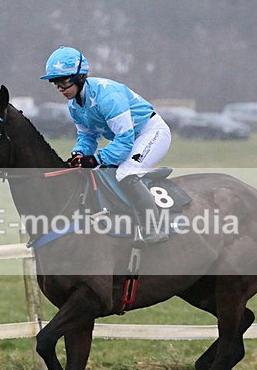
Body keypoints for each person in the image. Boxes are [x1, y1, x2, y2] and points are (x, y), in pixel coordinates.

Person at [40, 46, 172, 244]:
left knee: (126, 173)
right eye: (55, 83)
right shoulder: (74, 105)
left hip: (151, 133)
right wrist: (79, 155)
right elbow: (87, 136)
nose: (60, 89)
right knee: (94, 173)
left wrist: (96, 159)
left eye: (64, 82)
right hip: (127, 139)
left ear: (80, 77)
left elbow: (124, 140)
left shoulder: (107, 97)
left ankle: (154, 229)